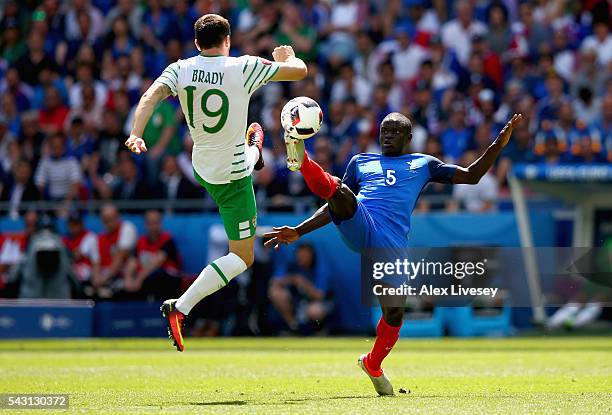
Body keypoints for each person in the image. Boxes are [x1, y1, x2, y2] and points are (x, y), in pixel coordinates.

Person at [264, 112, 522, 395]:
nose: (387, 135)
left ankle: (373, 363)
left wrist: (498, 143)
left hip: (391, 243)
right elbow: (334, 204)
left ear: (408, 138)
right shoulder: (361, 161)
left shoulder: (423, 163)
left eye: (394, 131)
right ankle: (300, 158)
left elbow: (472, 176)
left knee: (395, 312)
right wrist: (300, 230)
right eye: (384, 131)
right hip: (361, 222)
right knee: (338, 190)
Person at [124, 13, 307, 351]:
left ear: (196, 43)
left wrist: (136, 134)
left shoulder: (180, 68)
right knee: (243, 257)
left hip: (201, 167)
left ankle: (253, 151)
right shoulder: (244, 66)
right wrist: (287, 58)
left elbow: (149, 97)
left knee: (241, 161)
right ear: (228, 40)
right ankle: (179, 307)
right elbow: (300, 72)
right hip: (232, 177)